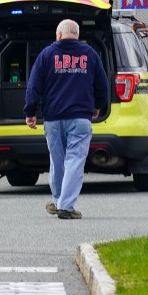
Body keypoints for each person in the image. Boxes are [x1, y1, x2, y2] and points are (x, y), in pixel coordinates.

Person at [23, 19, 109, 220]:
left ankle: (59, 200)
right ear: (77, 35)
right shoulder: (90, 54)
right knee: (75, 160)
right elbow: (102, 86)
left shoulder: (47, 54)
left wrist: (30, 112)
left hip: (53, 119)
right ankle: (66, 205)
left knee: (58, 160)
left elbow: (33, 86)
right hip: (80, 118)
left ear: (58, 34)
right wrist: (98, 107)